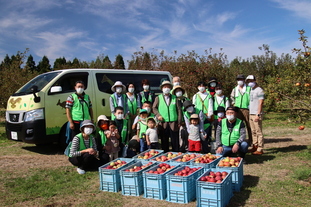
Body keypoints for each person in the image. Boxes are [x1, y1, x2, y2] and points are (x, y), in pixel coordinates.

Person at [153, 80, 182, 152]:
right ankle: (165, 153)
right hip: (163, 122)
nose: (166, 88)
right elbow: (154, 108)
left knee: (175, 140)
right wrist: (158, 115)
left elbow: (179, 110)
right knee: (164, 140)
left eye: (168, 87)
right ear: (162, 88)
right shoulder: (158, 98)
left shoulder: (175, 98)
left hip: (173, 122)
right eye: (165, 87)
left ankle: (176, 153)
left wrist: (179, 121)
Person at [230, 75, 252, 145]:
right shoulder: (235, 89)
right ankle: (237, 141)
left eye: (241, 79)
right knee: (237, 125)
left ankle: (251, 140)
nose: (240, 80)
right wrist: (233, 104)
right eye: (238, 79)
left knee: (249, 125)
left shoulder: (249, 88)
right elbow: (232, 97)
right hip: (237, 109)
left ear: (244, 80)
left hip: (247, 109)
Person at [246, 75, 265, 155]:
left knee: (258, 131)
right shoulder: (251, 90)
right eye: (248, 81)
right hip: (251, 113)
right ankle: (255, 146)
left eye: (251, 81)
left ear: (255, 80)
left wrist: (258, 114)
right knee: (253, 131)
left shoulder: (259, 90)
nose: (250, 83)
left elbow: (261, 102)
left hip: (256, 113)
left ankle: (260, 148)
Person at [192, 81, 213, 153]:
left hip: (206, 117)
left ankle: (206, 150)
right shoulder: (196, 95)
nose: (201, 87)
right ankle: (198, 150)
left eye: (203, 86)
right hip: (198, 117)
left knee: (205, 136)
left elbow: (210, 105)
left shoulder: (208, 95)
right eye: (200, 86)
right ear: (198, 87)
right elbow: (194, 106)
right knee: (198, 135)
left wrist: (209, 115)